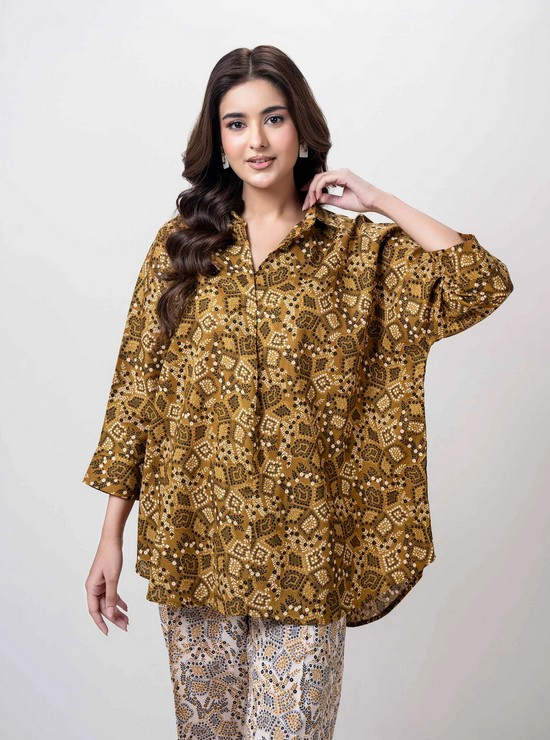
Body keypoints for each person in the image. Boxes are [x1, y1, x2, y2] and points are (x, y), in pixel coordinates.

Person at [82, 45, 514, 739]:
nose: (256, 140)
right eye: (236, 124)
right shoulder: (181, 247)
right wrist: (110, 536)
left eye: (274, 118)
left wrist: (378, 200)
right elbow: (137, 391)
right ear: (218, 141)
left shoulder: (356, 254)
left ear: (302, 129)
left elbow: (480, 282)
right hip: (196, 540)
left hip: (305, 551)